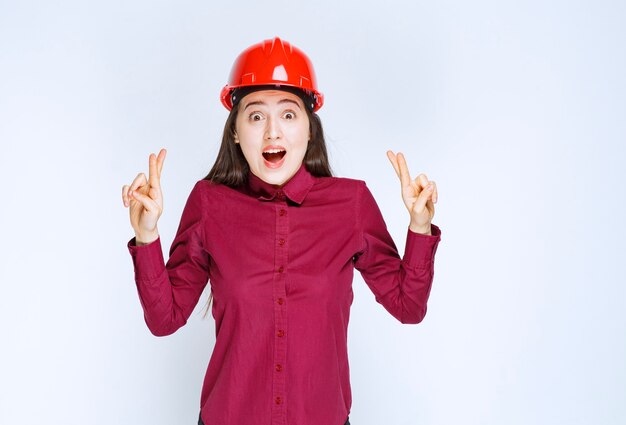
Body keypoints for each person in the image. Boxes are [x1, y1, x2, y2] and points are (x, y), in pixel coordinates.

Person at [122, 36, 442, 425]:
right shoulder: (210, 204)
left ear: (310, 130)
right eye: (256, 116)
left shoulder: (351, 205)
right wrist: (147, 236)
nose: (273, 132)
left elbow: (408, 308)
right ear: (236, 132)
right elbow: (164, 319)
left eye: (288, 115)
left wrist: (420, 228)